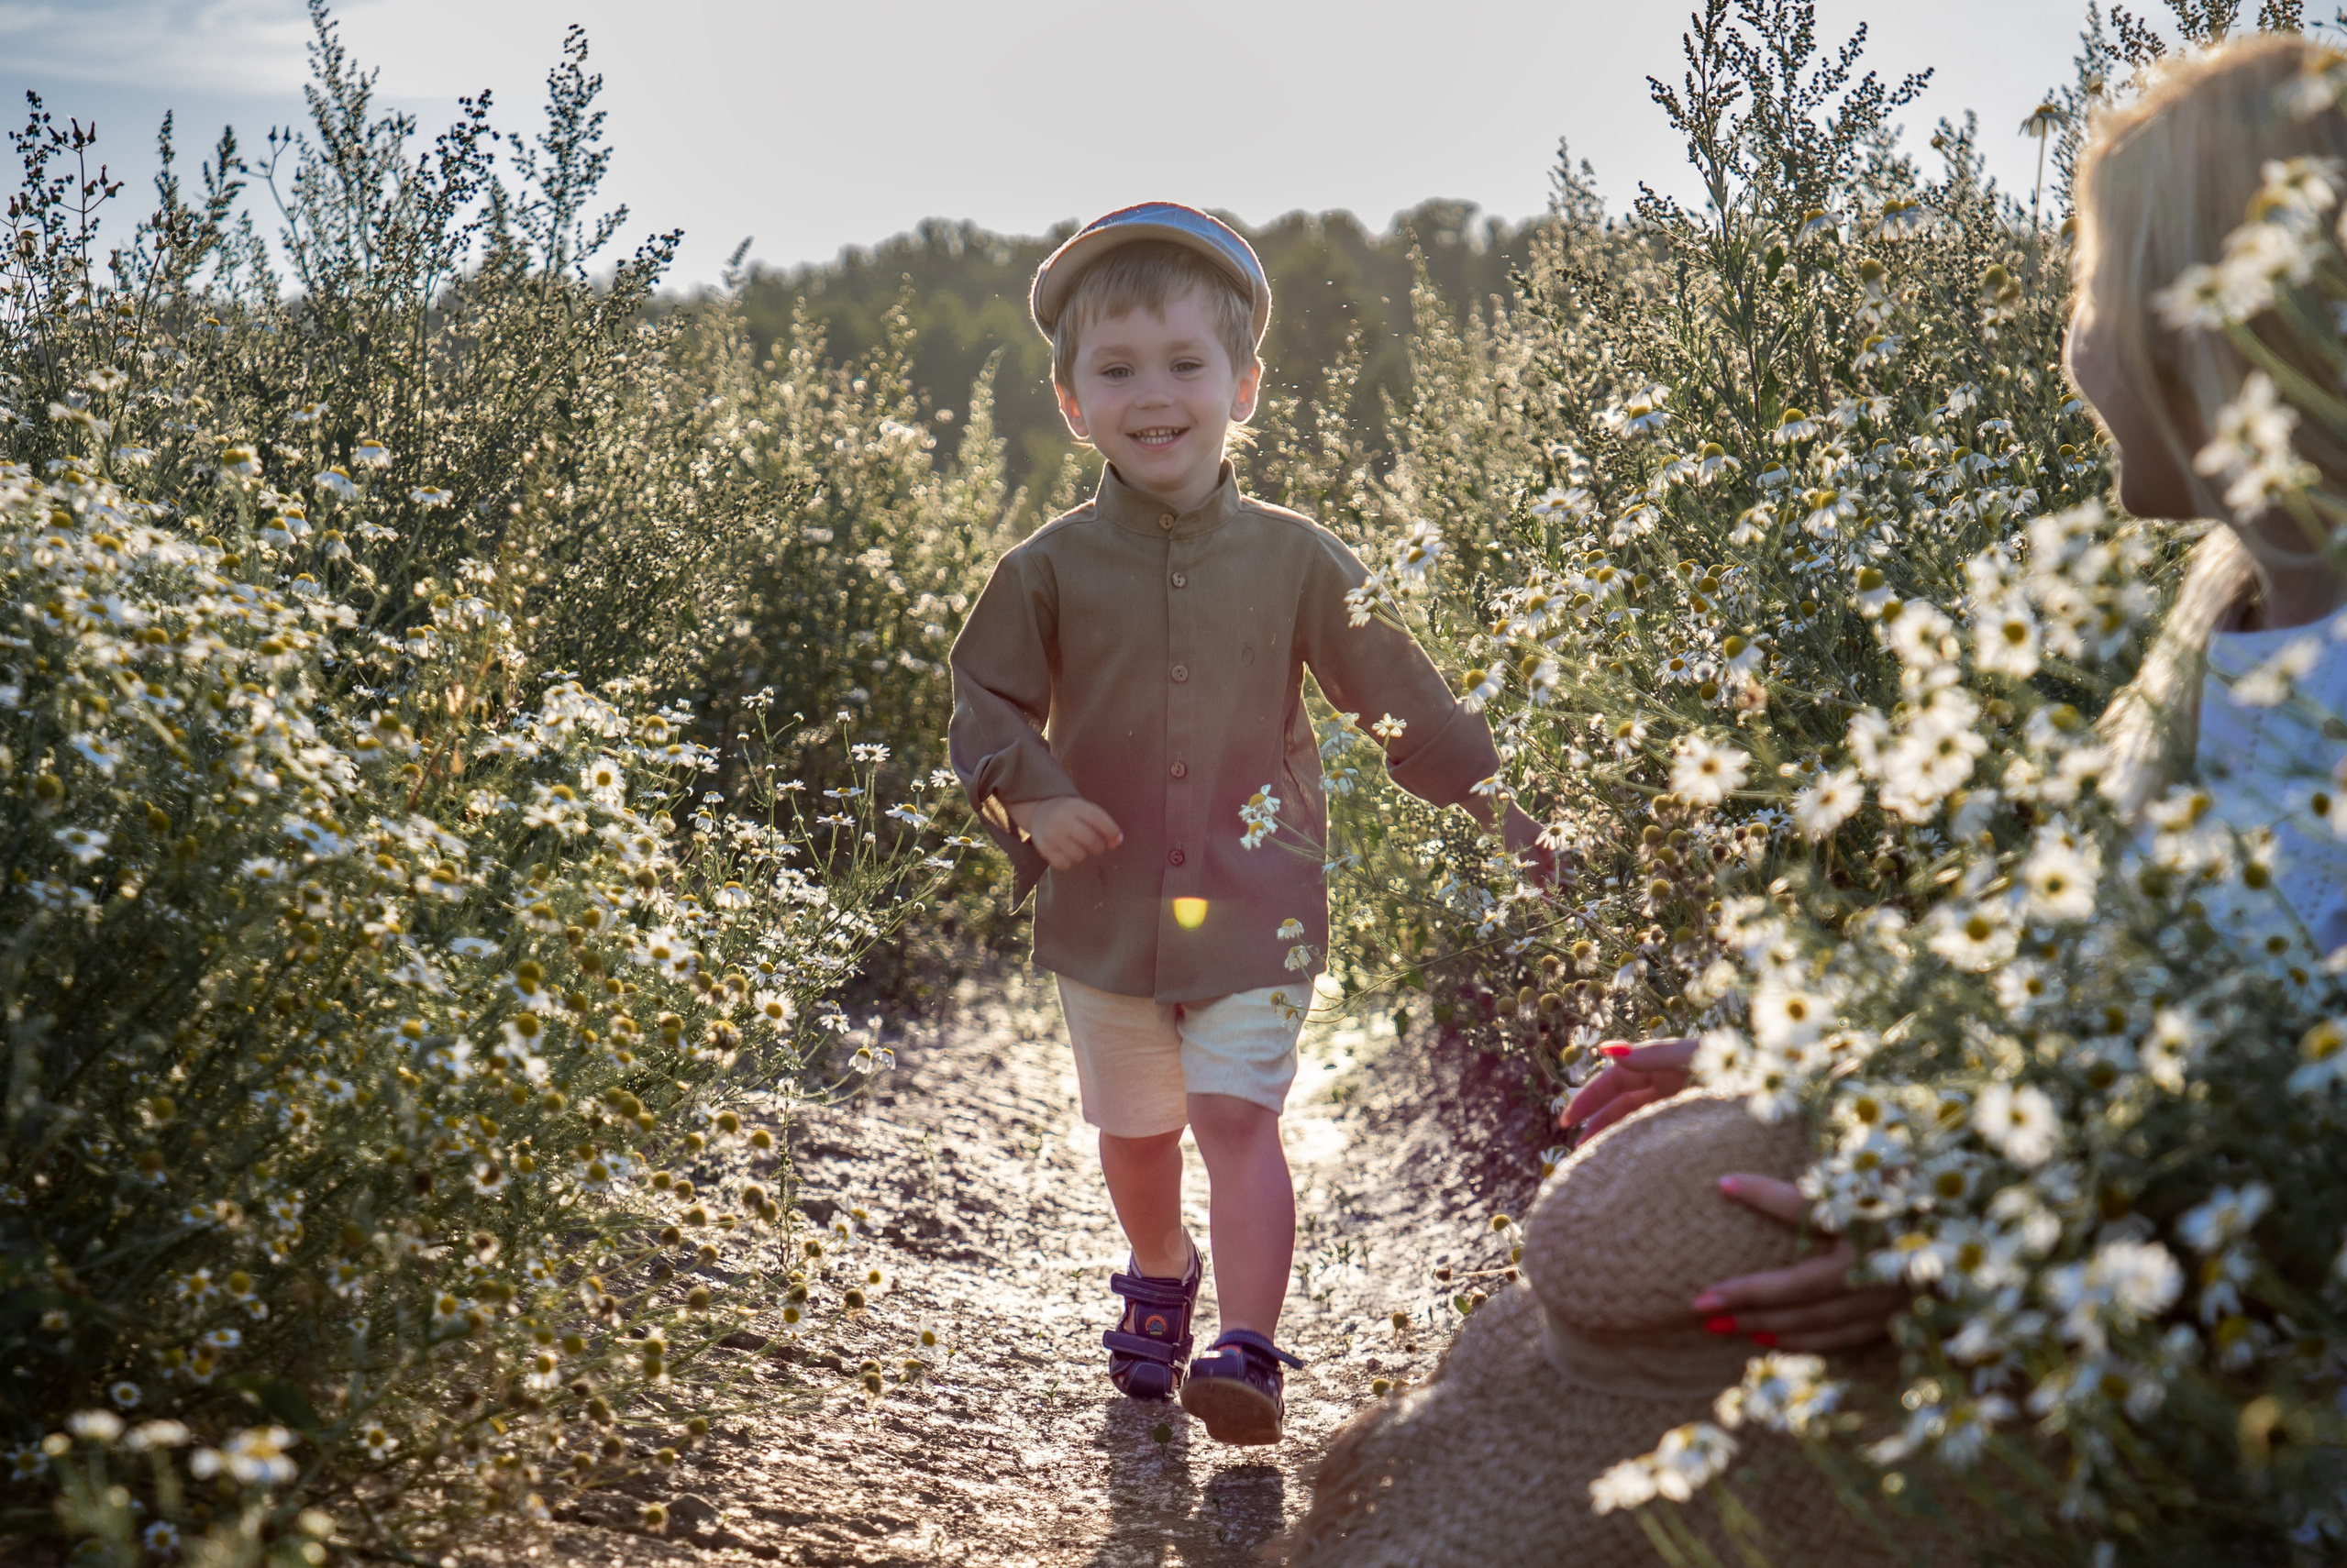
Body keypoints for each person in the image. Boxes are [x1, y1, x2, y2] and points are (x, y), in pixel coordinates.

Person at [1559, 30, 2347, 1366]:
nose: (2069, 348)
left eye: (2090, 287)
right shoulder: (2229, 625)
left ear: (2207, 324)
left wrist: (1991, 1244)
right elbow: (2120, 991)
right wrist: (1834, 1054)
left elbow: (2294, 1128)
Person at [948, 203, 1549, 1445]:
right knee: (1137, 1136)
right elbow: (987, 696)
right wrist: (1039, 791)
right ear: (1072, 402)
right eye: (1116, 370)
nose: (1153, 395)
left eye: (1185, 364)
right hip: (1106, 914)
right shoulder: (1045, 570)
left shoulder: (1301, 561)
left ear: (1245, 384)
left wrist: (1513, 814)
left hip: (1258, 894)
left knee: (1237, 1115)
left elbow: (1403, 700)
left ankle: (1249, 1348)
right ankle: (1160, 1264)